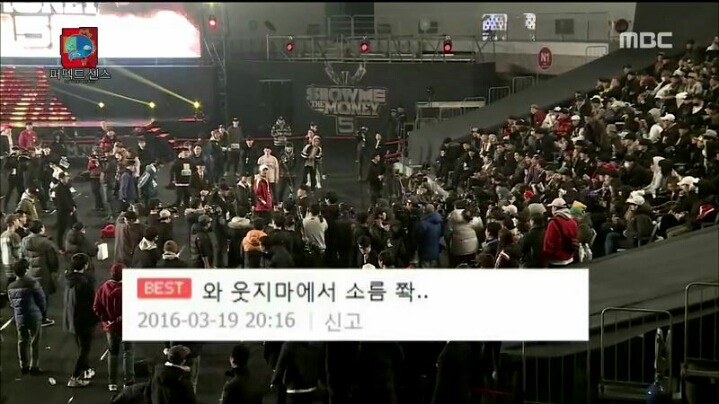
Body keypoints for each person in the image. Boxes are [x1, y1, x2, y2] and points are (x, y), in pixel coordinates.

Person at [93, 263, 134, 392]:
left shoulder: (103, 287)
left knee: (113, 353)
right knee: (128, 352)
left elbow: (96, 307)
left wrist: (107, 319)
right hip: (126, 327)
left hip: (110, 328)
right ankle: (129, 382)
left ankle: (112, 382)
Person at [63, 253, 98, 387]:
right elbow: (91, 304)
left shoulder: (69, 281)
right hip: (83, 321)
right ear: (86, 265)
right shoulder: (85, 284)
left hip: (71, 319)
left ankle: (86, 368)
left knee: (81, 346)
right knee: (84, 349)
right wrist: (96, 318)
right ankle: (75, 376)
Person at [7, 259, 46, 375]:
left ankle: (23, 365)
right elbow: (41, 300)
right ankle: (34, 366)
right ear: (26, 270)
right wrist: (42, 312)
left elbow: (12, 303)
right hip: (34, 316)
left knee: (22, 341)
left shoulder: (11, 286)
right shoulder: (32, 283)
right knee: (34, 342)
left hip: (19, 317)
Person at [20, 220, 58, 327]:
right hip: (43, 274)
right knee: (43, 297)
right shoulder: (46, 243)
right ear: (41, 229)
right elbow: (52, 261)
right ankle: (43, 319)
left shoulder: (24, 241)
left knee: (32, 297)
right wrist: (54, 271)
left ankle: (32, 317)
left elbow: (22, 256)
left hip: (29, 273)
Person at [542, 198, 579, 267]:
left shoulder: (553, 223)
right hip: (570, 258)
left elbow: (549, 243)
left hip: (556, 261)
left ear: (555, 208)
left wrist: (546, 257)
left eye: (552, 207)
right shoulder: (573, 221)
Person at [1, 214, 22, 293]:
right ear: (14, 222)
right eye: (17, 221)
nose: (18, 222)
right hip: (14, 262)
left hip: (5, 262)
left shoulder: (3, 235)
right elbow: (18, 252)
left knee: (10, 280)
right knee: (14, 283)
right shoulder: (14, 235)